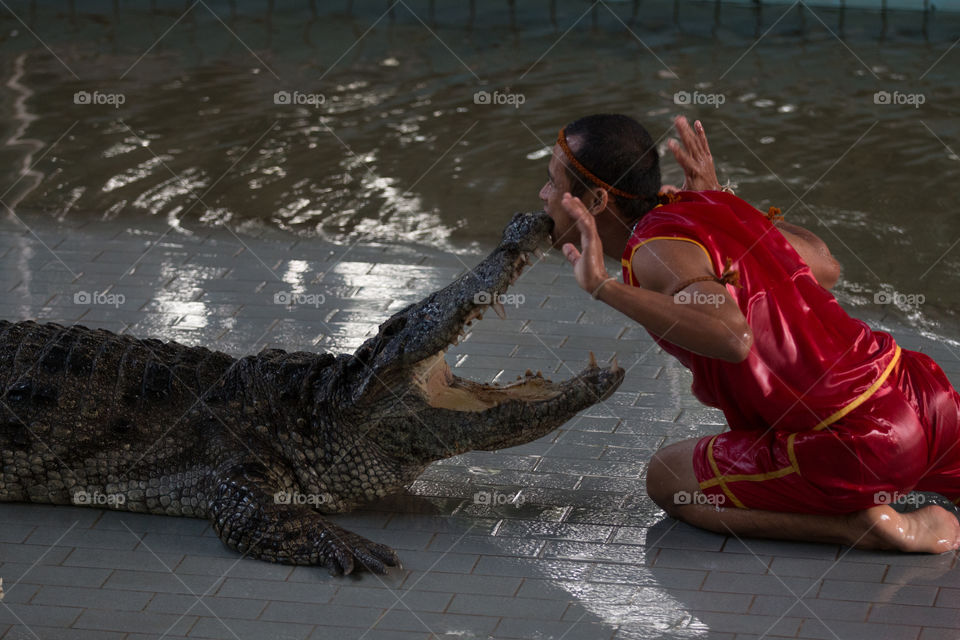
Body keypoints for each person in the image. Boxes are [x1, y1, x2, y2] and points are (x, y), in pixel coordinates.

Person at [540, 112, 960, 553]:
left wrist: (604, 287)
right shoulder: (706, 205)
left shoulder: (651, 250)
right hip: (923, 399)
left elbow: (729, 336)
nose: (544, 194)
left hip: (858, 443)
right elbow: (826, 267)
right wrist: (724, 200)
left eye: (553, 182)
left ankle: (862, 527)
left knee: (667, 480)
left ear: (596, 202)